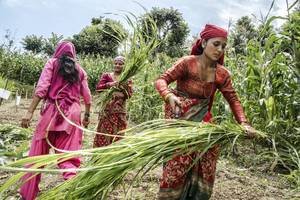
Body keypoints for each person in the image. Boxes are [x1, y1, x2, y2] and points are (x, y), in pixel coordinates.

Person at [154, 24, 256, 200]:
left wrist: (244, 123)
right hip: (180, 123)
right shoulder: (187, 63)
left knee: (207, 160)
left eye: (223, 46)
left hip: (203, 125)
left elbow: (233, 99)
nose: (220, 49)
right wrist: (168, 96)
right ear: (203, 43)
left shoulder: (222, 74)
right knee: (177, 165)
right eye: (216, 44)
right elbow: (161, 80)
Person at [20, 41, 92, 200]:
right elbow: (87, 98)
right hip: (72, 115)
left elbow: (42, 88)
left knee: (37, 157)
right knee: (68, 158)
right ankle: (76, 192)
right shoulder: (80, 70)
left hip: (52, 111)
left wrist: (29, 112)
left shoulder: (52, 63)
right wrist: (86, 116)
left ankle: (27, 195)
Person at [93, 56, 133, 147]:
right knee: (104, 133)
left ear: (124, 66)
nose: (117, 65)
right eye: (116, 63)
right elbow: (98, 88)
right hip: (107, 111)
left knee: (118, 135)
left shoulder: (127, 79)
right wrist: (110, 85)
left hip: (120, 112)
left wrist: (123, 88)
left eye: (120, 64)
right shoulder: (107, 76)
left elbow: (129, 95)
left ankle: (114, 155)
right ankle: (100, 156)